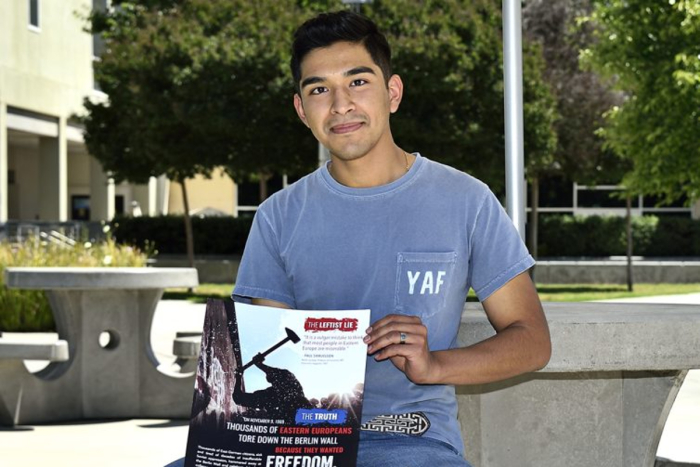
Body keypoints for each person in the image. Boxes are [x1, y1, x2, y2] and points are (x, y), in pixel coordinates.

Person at [166, 10, 550, 467]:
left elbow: (532, 341)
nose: (341, 104)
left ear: (392, 92)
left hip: (410, 440)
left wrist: (435, 365)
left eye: (358, 82)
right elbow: (264, 358)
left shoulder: (466, 200)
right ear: (301, 109)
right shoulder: (277, 216)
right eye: (319, 90)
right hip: (297, 443)